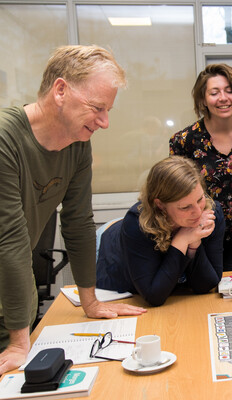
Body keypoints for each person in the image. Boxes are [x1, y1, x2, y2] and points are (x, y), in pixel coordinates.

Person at [0, 45, 146, 374]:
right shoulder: (5, 139)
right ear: (61, 90)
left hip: (15, 311)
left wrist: (90, 301)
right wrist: (19, 341)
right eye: (97, 108)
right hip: (11, 315)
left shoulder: (77, 143)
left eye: (107, 110)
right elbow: (11, 240)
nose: (105, 122)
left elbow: (79, 223)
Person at [170, 64, 232, 271]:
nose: (223, 98)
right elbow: (176, 190)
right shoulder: (184, 141)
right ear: (203, 99)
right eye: (214, 93)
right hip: (200, 234)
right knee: (203, 293)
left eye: (229, 90)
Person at [96, 156, 225, 306]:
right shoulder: (136, 223)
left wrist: (194, 244)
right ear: (161, 205)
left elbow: (207, 285)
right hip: (120, 277)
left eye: (200, 199)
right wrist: (182, 240)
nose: (197, 212)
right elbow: (153, 296)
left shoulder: (210, 214)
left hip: (170, 287)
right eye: (185, 207)